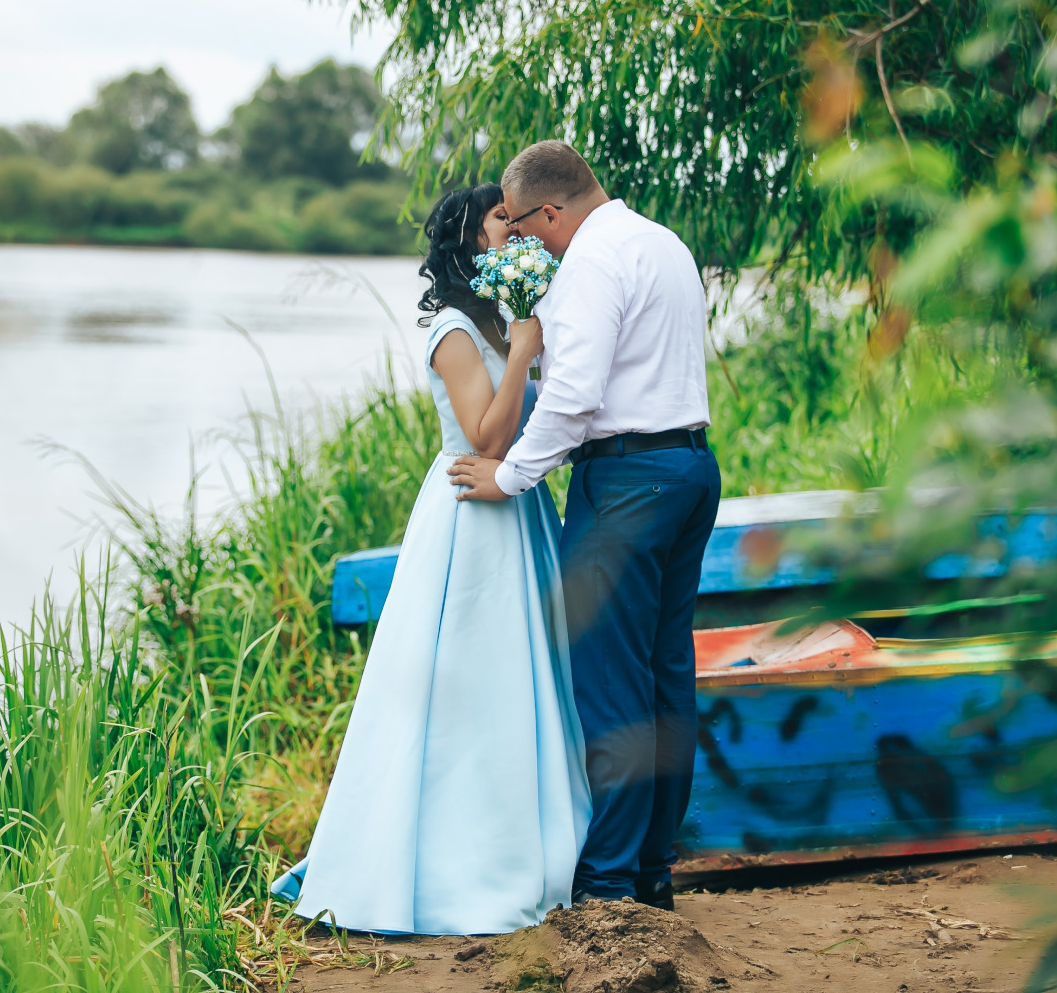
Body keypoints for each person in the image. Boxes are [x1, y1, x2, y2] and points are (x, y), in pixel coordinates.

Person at [271, 183, 591, 935]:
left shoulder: (498, 317)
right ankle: (448, 866)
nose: (512, 231)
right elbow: (485, 437)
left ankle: (537, 841)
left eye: (517, 221)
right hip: (471, 519)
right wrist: (522, 348)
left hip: (517, 509)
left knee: (526, 674)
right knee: (467, 686)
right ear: (468, 241)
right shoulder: (455, 329)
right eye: (499, 221)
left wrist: (526, 338)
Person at [448, 141, 721, 910]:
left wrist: (510, 475)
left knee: (609, 685)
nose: (528, 244)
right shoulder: (662, 243)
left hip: (628, 484)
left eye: (528, 229)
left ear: (551, 210)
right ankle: (650, 873)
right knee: (666, 679)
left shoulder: (594, 263)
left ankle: (606, 885)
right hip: (690, 470)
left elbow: (572, 396)